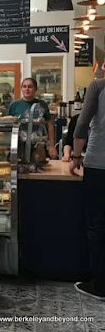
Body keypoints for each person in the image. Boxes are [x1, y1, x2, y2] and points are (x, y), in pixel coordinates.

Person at [70, 78, 105, 300]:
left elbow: (82, 124)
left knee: (97, 226)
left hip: (99, 164)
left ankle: (100, 286)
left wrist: (75, 157)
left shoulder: (98, 86)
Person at [8, 77, 57, 159]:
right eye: (24, 86)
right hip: (19, 146)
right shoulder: (14, 105)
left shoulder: (42, 105)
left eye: (30, 87)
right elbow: (9, 126)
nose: (27, 89)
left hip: (38, 147)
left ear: (35, 89)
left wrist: (51, 146)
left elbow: (50, 126)